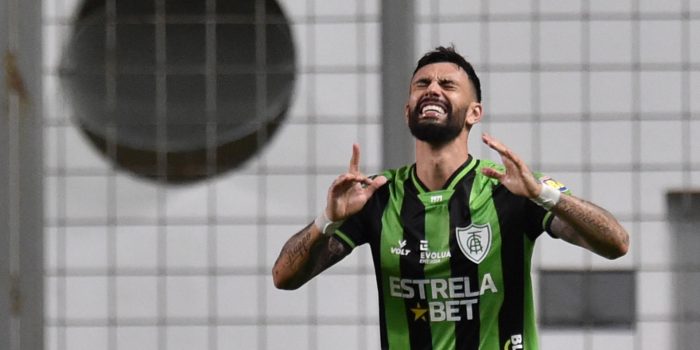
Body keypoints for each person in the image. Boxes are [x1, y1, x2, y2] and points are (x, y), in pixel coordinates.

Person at [272, 46, 629, 350]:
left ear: (475, 112)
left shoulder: (513, 190)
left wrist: (543, 194)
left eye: (447, 84)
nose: (432, 90)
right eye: (421, 84)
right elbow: (284, 277)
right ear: (407, 110)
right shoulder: (377, 196)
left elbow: (617, 243)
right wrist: (327, 220)